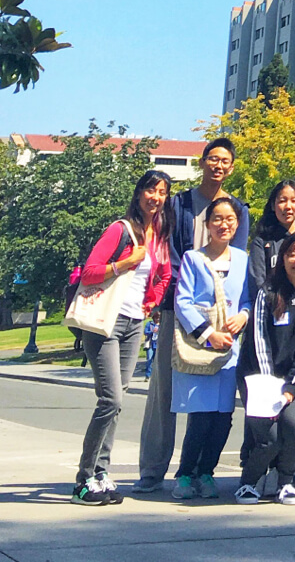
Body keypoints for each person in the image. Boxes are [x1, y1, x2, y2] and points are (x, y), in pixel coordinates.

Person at [135, 138, 250, 494]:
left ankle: (201, 470)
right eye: (212, 159)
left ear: (231, 167)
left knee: (216, 403)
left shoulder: (239, 208)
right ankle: (154, 470)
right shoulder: (180, 203)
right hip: (179, 308)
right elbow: (168, 248)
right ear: (202, 162)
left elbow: (240, 258)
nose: (218, 165)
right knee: (166, 394)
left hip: (225, 319)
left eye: (225, 161)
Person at [74, 170, 173, 505]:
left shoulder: (159, 234)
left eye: (162, 192)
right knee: (111, 400)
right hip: (104, 322)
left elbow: (164, 273)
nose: (156, 197)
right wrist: (124, 263)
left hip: (133, 324)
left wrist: (151, 302)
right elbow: (89, 272)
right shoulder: (120, 229)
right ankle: (84, 479)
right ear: (139, 193)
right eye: (150, 190)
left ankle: (101, 472)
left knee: (116, 403)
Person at [170, 198, 252, 500]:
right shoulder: (193, 259)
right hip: (203, 348)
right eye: (217, 219)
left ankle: (208, 471)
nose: (224, 224)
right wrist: (208, 335)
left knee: (223, 416)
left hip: (232, 348)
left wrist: (243, 315)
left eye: (230, 219)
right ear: (207, 225)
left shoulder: (243, 259)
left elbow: (248, 298)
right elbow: (183, 302)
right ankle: (185, 474)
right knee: (200, 415)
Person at [235, 232, 295, 505]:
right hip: (258, 377)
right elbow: (258, 339)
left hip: (289, 381)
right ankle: (248, 482)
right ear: (282, 258)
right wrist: (270, 385)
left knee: (293, 427)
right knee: (269, 438)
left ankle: (286, 482)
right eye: (293, 254)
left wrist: (292, 387)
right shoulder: (268, 293)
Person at [249, 179, 295, 293]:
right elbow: (258, 282)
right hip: (272, 304)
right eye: (282, 201)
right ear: (273, 206)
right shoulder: (262, 241)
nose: (288, 206)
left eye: (294, 201)